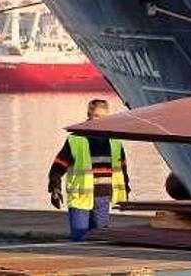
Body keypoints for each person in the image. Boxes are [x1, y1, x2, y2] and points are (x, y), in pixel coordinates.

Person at [48, 99, 130, 241]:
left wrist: (126, 188)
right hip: (80, 197)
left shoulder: (115, 141)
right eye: (97, 116)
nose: (101, 121)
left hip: (102, 196)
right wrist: (55, 189)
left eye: (105, 117)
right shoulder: (75, 140)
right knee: (80, 237)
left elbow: (122, 169)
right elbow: (57, 167)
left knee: (101, 238)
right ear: (88, 115)